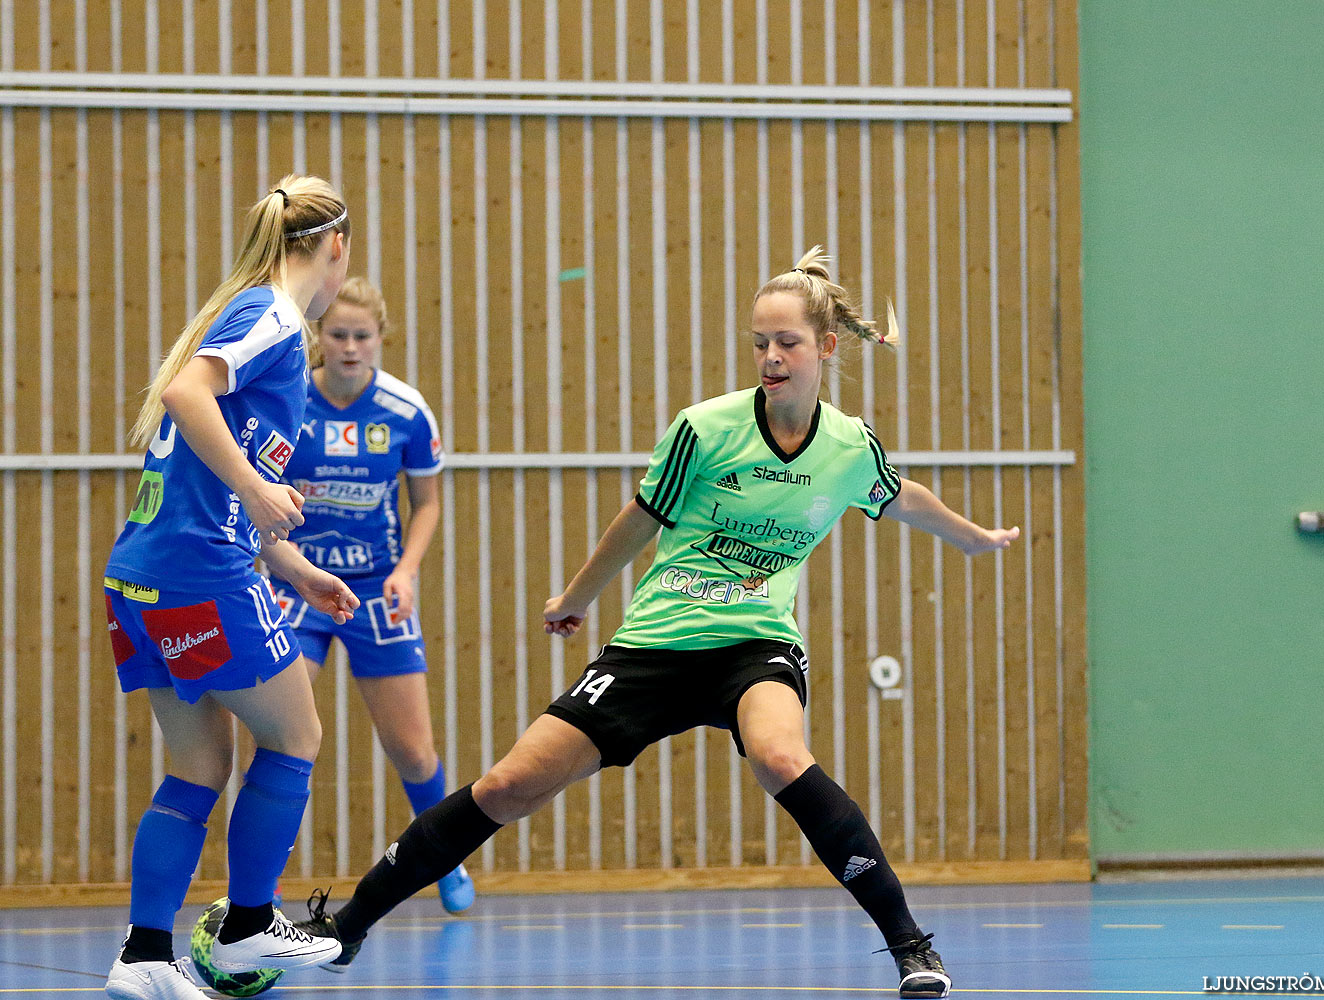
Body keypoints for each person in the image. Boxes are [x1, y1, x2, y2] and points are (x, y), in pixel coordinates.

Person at [295, 247, 1020, 1000]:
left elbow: (901, 496)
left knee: (778, 755)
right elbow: (638, 522)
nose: (770, 358)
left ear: (826, 348)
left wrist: (970, 535)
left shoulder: (847, 446)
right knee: (510, 783)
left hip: (756, 643)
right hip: (657, 644)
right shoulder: (705, 429)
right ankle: (348, 928)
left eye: (787, 343)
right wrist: (575, 598)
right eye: (759, 343)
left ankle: (910, 946)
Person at [102, 176, 357, 1000]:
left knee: (198, 765)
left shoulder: (245, 314)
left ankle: (143, 957)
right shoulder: (274, 314)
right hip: (200, 582)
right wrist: (254, 487)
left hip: (140, 580)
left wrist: (299, 568)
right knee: (295, 736)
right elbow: (186, 394)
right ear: (335, 249)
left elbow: (211, 492)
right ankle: (248, 927)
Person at [269, 275, 474, 913]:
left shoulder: (406, 412)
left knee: (413, 750)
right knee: (279, 739)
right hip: (297, 585)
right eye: (338, 334)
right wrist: (277, 570)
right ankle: (260, 891)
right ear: (317, 338)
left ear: (381, 338)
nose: (351, 348)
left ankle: (443, 862)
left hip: (374, 591)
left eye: (363, 336)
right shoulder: (286, 403)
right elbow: (252, 497)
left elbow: (428, 502)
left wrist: (406, 571)